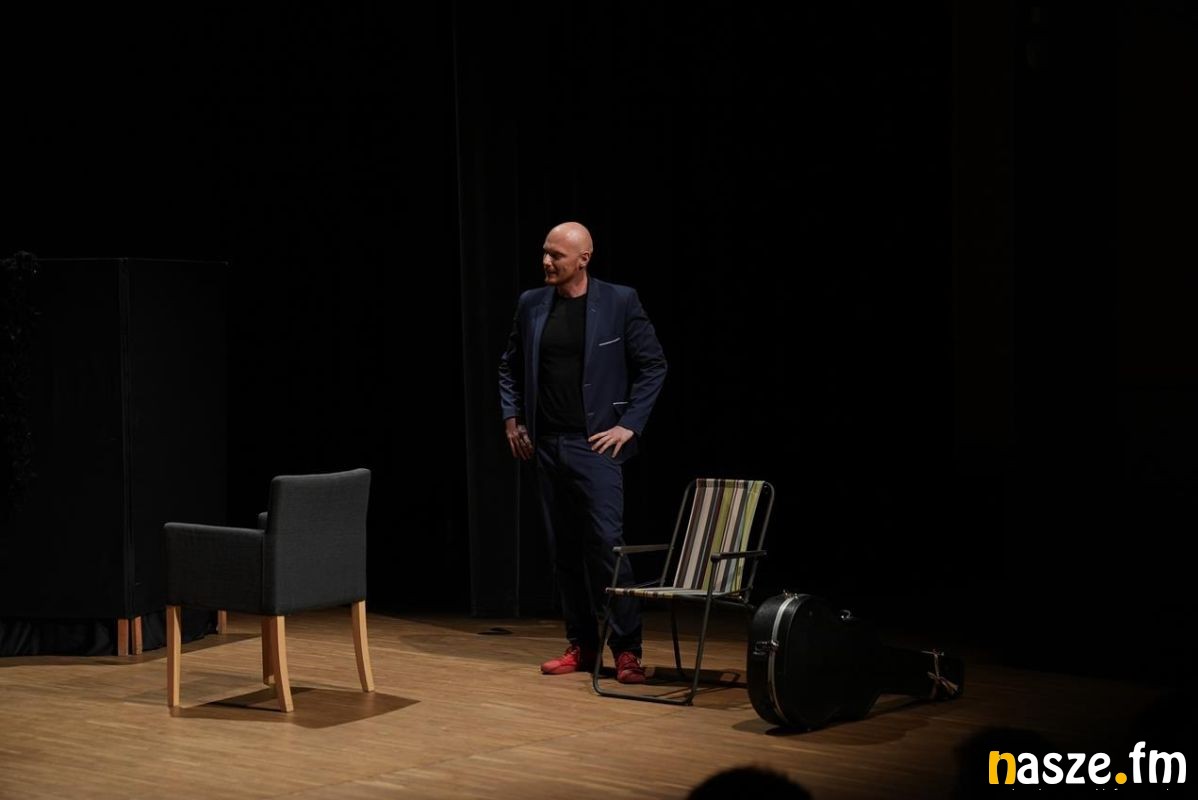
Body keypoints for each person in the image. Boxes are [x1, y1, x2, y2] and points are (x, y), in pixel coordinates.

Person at [498, 221, 667, 684]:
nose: (546, 261)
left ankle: (627, 650)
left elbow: (654, 365)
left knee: (607, 547)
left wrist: (629, 425)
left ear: (583, 259)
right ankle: (583, 644)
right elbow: (509, 365)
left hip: (595, 446)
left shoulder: (620, 301)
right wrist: (513, 418)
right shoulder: (532, 303)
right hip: (546, 446)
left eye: (556, 255)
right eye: (545, 252)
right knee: (564, 551)